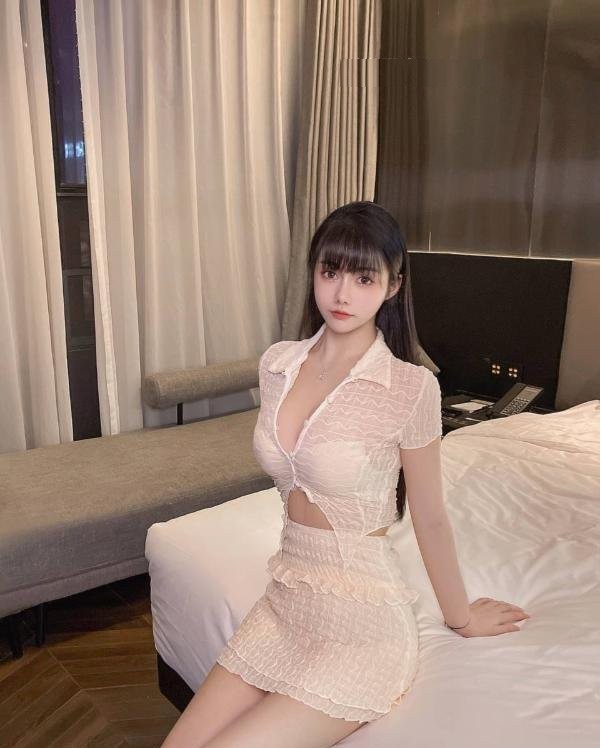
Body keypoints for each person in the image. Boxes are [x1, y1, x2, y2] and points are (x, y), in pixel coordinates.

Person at [161, 201, 531, 748]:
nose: (341, 294)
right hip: (285, 605)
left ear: (393, 286)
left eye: (363, 278)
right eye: (330, 271)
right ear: (312, 271)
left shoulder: (410, 388)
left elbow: (430, 517)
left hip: (362, 629)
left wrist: (462, 617)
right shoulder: (277, 364)